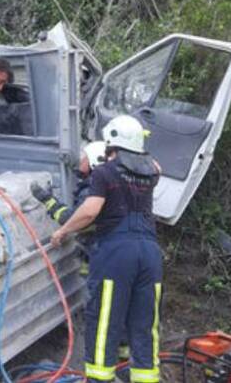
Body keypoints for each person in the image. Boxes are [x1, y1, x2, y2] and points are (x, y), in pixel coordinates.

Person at [51, 115, 162, 383]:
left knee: (104, 321)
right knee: (145, 323)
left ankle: (100, 378)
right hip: (150, 254)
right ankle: (145, 377)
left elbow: (89, 212)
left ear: (111, 143)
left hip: (117, 253)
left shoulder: (104, 173)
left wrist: (63, 230)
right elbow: (155, 164)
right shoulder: (152, 174)